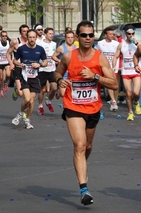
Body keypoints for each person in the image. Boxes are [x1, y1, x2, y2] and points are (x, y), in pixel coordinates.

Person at [54, 20, 118, 205]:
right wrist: (60, 81)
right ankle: (84, 189)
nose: (88, 38)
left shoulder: (99, 58)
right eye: (84, 35)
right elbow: (57, 73)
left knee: (87, 146)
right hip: (72, 106)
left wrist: (95, 76)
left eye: (91, 35)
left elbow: (114, 84)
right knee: (80, 145)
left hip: (93, 107)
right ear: (77, 36)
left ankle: (81, 164)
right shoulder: (68, 57)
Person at [11, 29, 48, 129]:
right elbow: (14, 60)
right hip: (24, 76)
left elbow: (46, 62)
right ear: (27, 38)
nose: (32, 39)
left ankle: (27, 120)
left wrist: (39, 64)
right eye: (30, 37)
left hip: (35, 77)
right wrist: (19, 64)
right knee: (27, 98)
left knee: (31, 101)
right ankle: (20, 114)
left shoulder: (40, 49)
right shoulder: (21, 49)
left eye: (33, 37)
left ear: (36, 38)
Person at [113, 24, 141, 121]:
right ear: (125, 34)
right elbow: (116, 56)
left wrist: (137, 45)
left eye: (132, 33)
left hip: (136, 70)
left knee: (136, 92)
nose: (131, 35)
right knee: (129, 93)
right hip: (126, 71)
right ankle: (130, 112)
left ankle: (136, 102)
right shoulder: (121, 44)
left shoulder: (138, 43)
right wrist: (114, 66)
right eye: (129, 34)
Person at [96, 27, 120, 111]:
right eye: (110, 34)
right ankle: (113, 101)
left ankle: (114, 100)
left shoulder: (116, 44)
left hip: (114, 67)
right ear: (105, 35)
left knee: (114, 85)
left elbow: (118, 55)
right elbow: (96, 54)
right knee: (109, 84)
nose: (112, 36)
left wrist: (117, 66)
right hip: (105, 67)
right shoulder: (100, 43)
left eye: (113, 34)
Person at [36, 28, 58, 114]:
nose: (52, 35)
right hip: (42, 69)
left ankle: (48, 101)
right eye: (50, 34)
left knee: (55, 88)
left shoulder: (54, 44)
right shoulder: (40, 44)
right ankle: (40, 106)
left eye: (52, 33)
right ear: (45, 34)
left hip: (52, 69)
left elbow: (55, 55)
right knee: (43, 90)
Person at [52, 30, 78, 98]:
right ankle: (59, 91)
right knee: (63, 94)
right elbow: (53, 56)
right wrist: (60, 61)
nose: (70, 39)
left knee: (72, 94)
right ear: (65, 38)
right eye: (68, 37)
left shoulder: (76, 48)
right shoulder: (61, 48)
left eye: (71, 37)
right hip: (64, 73)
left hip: (73, 73)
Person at [7, 24, 29, 100]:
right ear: (20, 33)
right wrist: (11, 63)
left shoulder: (31, 42)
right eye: (24, 31)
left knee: (28, 91)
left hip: (28, 69)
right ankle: (16, 91)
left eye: (27, 31)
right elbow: (8, 54)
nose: (26, 33)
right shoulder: (15, 42)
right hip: (18, 68)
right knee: (21, 93)